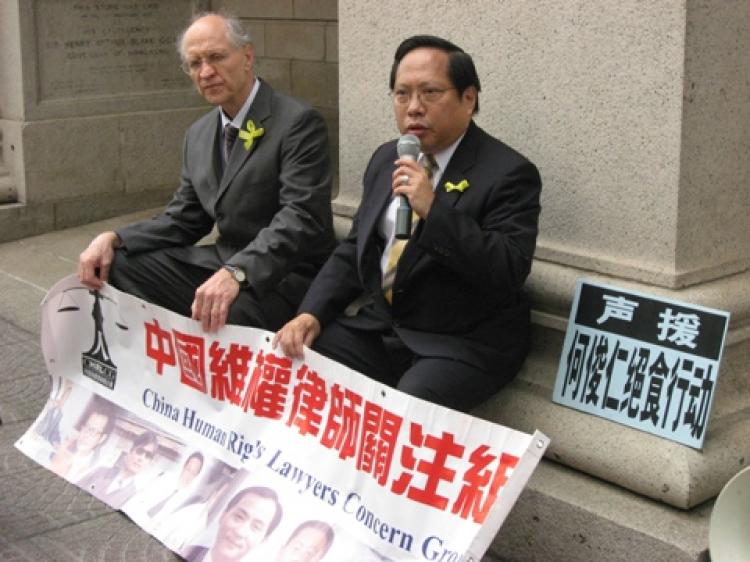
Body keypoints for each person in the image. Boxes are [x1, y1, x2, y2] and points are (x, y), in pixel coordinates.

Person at [275, 35, 542, 412]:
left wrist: (434, 211)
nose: (414, 108)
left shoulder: (509, 173)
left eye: (430, 92)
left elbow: (506, 269)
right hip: (385, 326)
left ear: (469, 99)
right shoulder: (388, 157)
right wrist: (311, 313)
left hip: (462, 339)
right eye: (402, 94)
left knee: (407, 409)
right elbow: (354, 248)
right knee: (291, 362)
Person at [78, 12, 334, 333]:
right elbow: (183, 220)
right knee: (119, 265)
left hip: (287, 273)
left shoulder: (297, 123)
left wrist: (238, 272)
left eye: (216, 57)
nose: (206, 72)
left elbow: (301, 218)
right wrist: (113, 238)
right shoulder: (198, 135)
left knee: (230, 309)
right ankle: (165, 358)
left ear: (247, 57)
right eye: (195, 63)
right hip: (224, 262)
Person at [183, 485, 283, 562]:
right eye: (239, 517)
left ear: (263, 541)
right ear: (223, 515)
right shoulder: (182, 553)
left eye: (256, 527)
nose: (240, 532)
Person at [77, 430, 159, 509]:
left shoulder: (132, 496)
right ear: (131, 451)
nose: (141, 458)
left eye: (148, 456)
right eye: (140, 451)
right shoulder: (100, 472)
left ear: (149, 462)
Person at [123, 451, 204, 522]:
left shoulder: (187, 499)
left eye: (193, 472)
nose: (188, 475)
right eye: (188, 469)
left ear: (197, 475)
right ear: (184, 467)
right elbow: (143, 495)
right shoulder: (166, 477)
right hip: (136, 514)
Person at [48, 401, 115, 482]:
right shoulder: (65, 445)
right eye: (86, 426)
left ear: (102, 439)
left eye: (93, 431)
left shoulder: (92, 471)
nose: (86, 434)